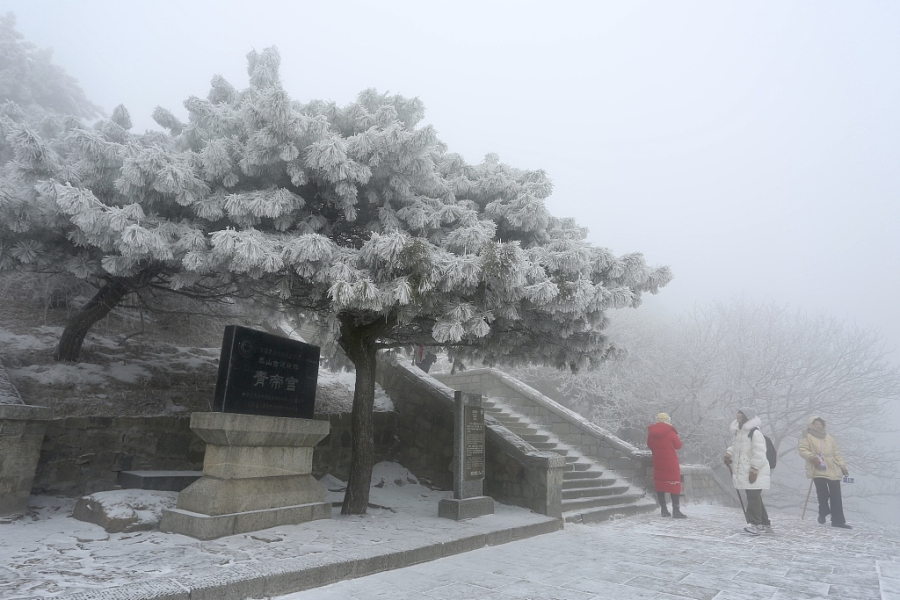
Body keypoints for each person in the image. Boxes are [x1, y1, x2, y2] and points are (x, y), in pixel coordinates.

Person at [724, 407, 772, 535]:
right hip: (745, 470)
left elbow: (760, 453)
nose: (737, 415)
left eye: (740, 414)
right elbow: (735, 446)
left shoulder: (754, 433)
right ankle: (765, 524)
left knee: (753, 497)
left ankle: (755, 524)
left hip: (756, 471)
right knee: (754, 497)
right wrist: (729, 454)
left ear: (747, 416)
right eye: (737, 413)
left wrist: (754, 469)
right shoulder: (739, 432)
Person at [798, 415, 852, 529]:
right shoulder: (807, 437)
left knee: (836, 495)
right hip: (818, 467)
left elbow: (836, 454)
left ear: (823, 425)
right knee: (823, 494)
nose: (819, 426)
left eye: (820, 424)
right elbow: (802, 450)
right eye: (816, 424)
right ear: (811, 425)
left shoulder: (829, 438)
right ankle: (823, 511)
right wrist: (812, 456)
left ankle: (838, 521)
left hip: (832, 468)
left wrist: (843, 467)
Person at [646, 413, 687, 518]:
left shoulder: (651, 433)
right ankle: (676, 511)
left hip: (658, 462)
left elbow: (649, 445)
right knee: (674, 485)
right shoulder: (670, 431)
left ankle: (664, 510)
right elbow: (679, 446)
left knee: (660, 485)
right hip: (671, 463)